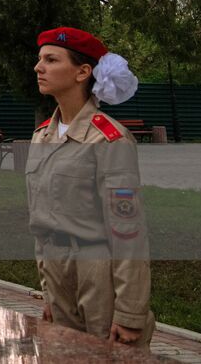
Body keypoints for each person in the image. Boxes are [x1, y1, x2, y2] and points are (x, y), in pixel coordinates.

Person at [26, 26, 153, 346]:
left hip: (99, 277)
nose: (39, 67)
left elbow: (128, 232)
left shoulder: (108, 139)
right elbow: (42, 224)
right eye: (40, 59)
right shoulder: (42, 136)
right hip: (58, 275)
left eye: (51, 60)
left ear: (83, 72)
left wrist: (129, 313)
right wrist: (49, 291)